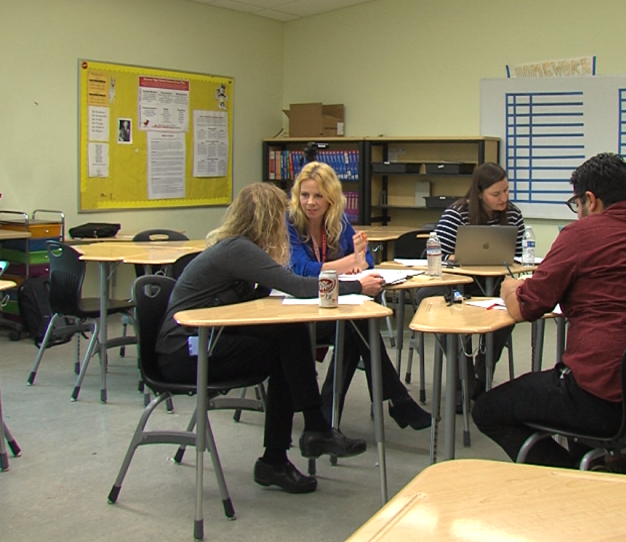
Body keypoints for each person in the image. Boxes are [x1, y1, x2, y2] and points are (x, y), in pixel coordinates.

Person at [155, 183, 383, 495]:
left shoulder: (244, 249)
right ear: (268, 218)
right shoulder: (237, 249)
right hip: (184, 351)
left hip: (208, 340)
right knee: (286, 349)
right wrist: (357, 286)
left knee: (289, 335)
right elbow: (299, 287)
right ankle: (299, 441)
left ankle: (296, 444)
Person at [472, 152, 626, 468]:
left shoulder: (580, 235)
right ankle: (596, 459)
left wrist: (509, 288)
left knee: (488, 410)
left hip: (602, 397)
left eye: (577, 205)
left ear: (590, 199)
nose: (578, 213)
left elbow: (525, 308)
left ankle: (574, 478)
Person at [287, 162, 431, 431]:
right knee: (357, 325)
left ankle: (328, 419)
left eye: (318, 196)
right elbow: (303, 270)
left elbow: (366, 259)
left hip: (333, 308)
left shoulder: (338, 220)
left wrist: (355, 260)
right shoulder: (291, 222)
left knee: (353, 328)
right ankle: (397, 400)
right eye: (304, 195)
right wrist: (349, 262)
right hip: (298, 313)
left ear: (331, 197)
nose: (310, 202)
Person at [415, 162, 525, 402]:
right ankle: (464, 380)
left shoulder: (513, 214)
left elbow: (517, 257)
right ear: (479, 193)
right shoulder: (457, 213)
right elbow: (431, 255)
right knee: (436, 302)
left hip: (495, 284)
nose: (503, 198)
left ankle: (483, 373)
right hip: (459, 284)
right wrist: (451, 257)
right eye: (496, 194)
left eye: (506, 191)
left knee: (514, 305)